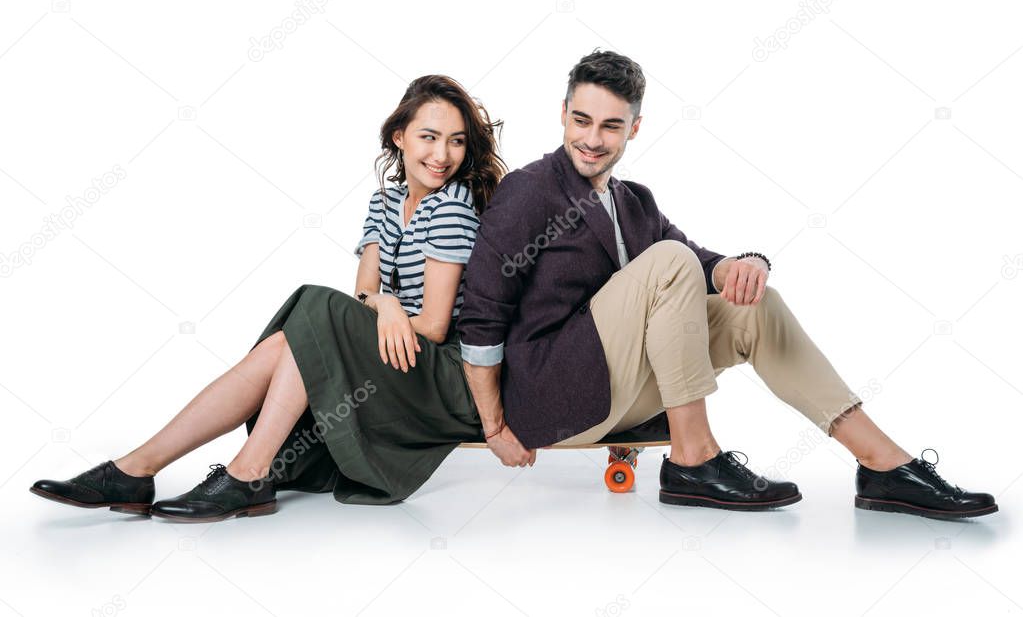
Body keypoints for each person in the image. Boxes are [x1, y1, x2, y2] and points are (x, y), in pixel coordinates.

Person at [456, 50, 997, 521]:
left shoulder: (633, 200)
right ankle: (693, 459)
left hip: (619, 390)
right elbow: (480, 312)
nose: (592, 139)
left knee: (756, 307)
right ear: (563, 116)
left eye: (611, 126)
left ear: (634, 129)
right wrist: (495, 427)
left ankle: (884, 467)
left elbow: (697, 260)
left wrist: (745, 262)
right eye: (582, 120)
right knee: (668, 261)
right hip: (551, 397)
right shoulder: (528, 191)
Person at [30, 74, 505, 521]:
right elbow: (364, 293)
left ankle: (223, 472)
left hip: (446, 376)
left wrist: (384, 305)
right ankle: (143, 467)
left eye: (456, 140)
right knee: (298, 337)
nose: (443, 154)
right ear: (399, 137)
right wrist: (385, 303)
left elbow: (436, 326)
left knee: (314, 308)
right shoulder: (385, 202)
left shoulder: (452, 207)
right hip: (399, 353)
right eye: (429, 136)